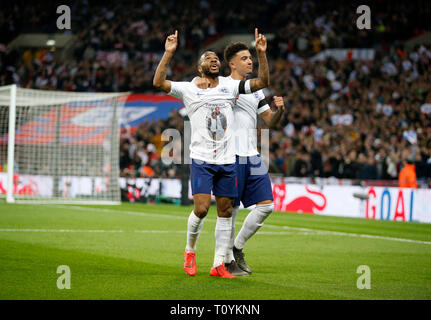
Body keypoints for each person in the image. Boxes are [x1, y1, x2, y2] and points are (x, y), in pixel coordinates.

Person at [153, 28, 270, 278]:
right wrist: (168, 53)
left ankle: (218, 264)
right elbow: (158, 83)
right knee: (203, 209)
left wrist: (261, 54)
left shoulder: (231, 88)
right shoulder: (188, 89)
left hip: (228, 160)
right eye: (208, 58)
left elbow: (262, 83)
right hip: (202, 159)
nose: (213, 60)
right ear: (199, 67)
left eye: (216, 58)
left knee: (226, 211)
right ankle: (190, 250)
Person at [194, 42, 285, 275]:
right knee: (229, 213)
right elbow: (197, 87)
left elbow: (270, 121)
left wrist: (280, 111)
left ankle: (236, 248)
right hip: (229, 155)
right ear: (232, 63)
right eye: (244, 58)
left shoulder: (255, 90)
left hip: (252, 155)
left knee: (267, 206)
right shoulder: (221, 84)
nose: (250, 61)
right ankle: (222, 262)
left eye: (250, 57)